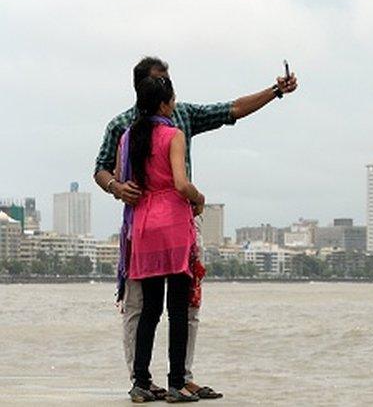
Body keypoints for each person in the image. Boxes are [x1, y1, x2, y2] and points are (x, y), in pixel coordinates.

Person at [93, 57, 297, 400]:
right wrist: (116, 186)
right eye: (162, 82)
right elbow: (102, 169)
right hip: (169, 220)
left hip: (146, 224)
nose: (170, 88)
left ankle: (161, 380)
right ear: (148, 88)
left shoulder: (173, 117)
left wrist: (275, 90)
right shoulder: (133, 126)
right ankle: (160, 380)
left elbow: (231, 109)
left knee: (172, 307)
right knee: (147, 306)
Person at [121, 76, 201, 402]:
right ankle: (176, 383)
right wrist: (200, 196)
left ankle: (140, 381)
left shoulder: (128, 136)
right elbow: (181, 184)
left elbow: (122, 178)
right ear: (166, 103)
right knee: (178, 309)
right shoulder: (173, 135)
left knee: (150, 308)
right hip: (172, 223)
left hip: (142, 225)